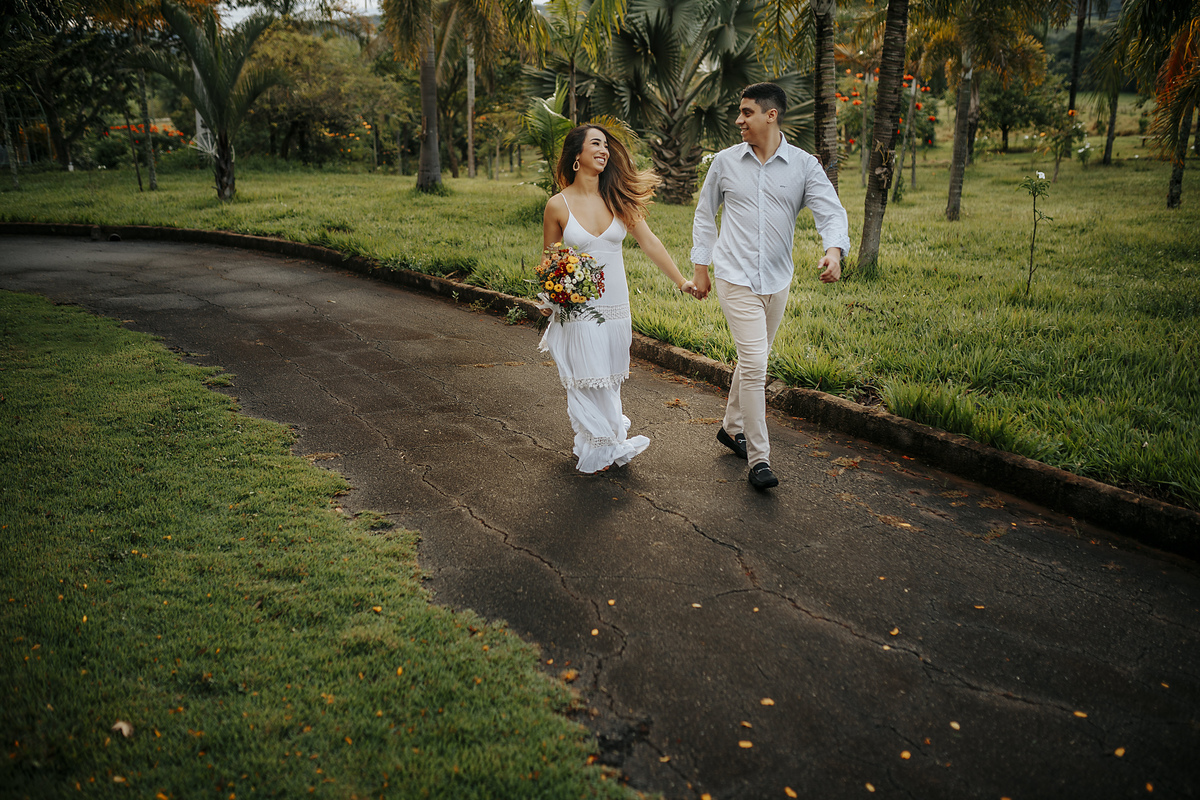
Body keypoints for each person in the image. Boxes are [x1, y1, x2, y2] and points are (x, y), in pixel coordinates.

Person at [690, 82, 851, 490]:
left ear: (770, 115)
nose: (739, 120)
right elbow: (705, 216)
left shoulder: (803, 165)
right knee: (758, 364)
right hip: (734, 276)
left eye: (746, 113)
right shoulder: (725, 163)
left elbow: (830, 212)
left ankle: (730, 426)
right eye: (739, 113)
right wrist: (701, 269)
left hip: (777, 279)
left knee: (752, 360)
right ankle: (759, 459)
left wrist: (833, 251)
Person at [540, 124, 699, 474]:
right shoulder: (557, 205)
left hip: (614, 306)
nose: (604, 150)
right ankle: (601, 445)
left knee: (607, 376)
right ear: (577, 156)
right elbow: (550, 259)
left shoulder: (617, 199)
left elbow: (650, 243)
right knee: (587, 375)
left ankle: (602, 438)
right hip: (577, 308)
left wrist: (681, 281)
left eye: (606, 146)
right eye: (595, 144)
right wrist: (550, 296)